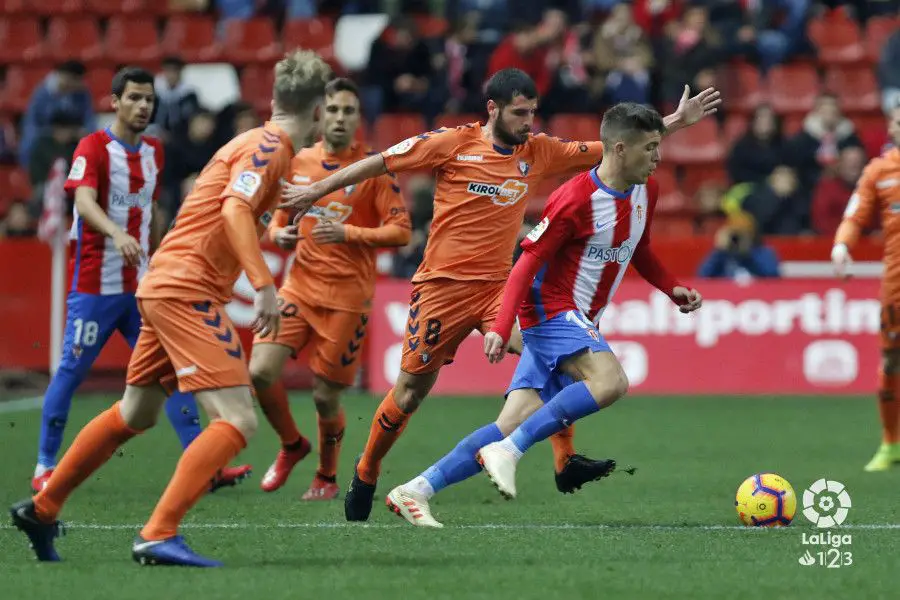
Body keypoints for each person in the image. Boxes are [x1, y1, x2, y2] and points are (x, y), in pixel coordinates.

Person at [280, 68, 720, 522]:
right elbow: (382, 161)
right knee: (409, 393)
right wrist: (315, 190)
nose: (529, 122)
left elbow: (612, 148)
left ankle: (562, 460)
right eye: (519, 113)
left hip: (501, 288)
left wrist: (676, 120)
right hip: (441, 289)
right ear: (492, 109)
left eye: (533, 112)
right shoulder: (452, 143)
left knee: (561, 360)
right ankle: (368, 468)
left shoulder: (539, 151)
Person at [9, 50, 332, 567]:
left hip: (161, 280)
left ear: (273, 99)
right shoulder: (270, 147)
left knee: (135, 411)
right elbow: (232, 209)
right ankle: (158, 533)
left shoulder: (259, 143)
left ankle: (43, 508)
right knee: (238, 419)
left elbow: (233, 208)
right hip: (187, 288)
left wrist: (274, 225)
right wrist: (263, 284)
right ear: (318, 112)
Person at [385, 102, 703, 525]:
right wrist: (501, 326)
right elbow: (525, 265)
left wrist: (671, 288)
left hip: (578, 320)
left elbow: (639, 250)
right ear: (620, 149)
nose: (658, 157)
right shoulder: (574, 198)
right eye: (650, 148)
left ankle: (414, 490)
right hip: (550, 311)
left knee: (509, 423)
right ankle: (511, 451)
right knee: (610, 381)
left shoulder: (648, 190)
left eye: (659, 146)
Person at [30, 67, 249, 494]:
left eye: (148, 99)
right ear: (115, 101)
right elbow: (83, 200)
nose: (143, 105)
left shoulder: (154, 152)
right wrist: (115, 233)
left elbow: (151, 213)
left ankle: (202, 465)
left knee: (172, 372)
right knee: (71, 374)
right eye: (134, 98)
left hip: (144, 289)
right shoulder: (92, 148)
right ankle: (43, 466)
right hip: (96, 287)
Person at [249, 77, 411, 501]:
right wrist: (278, 236)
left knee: (325, 397)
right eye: (334, 110)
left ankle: (325, 475)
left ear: (359, 119)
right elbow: (277, 219)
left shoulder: (374, 169)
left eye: (348, 111)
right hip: (298, 290)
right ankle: (291, 444)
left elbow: (401, 232)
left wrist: (348, 233)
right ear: (321, 115)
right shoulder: (298, 160)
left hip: (347, 302)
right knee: (259, 372)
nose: (340, 118)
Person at [832, 105, 900, 472]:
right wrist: (842, 245)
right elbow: (854, 216)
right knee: (891, 359)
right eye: (897, 123)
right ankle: (891, 444)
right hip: (897, 283)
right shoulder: (879, 170)